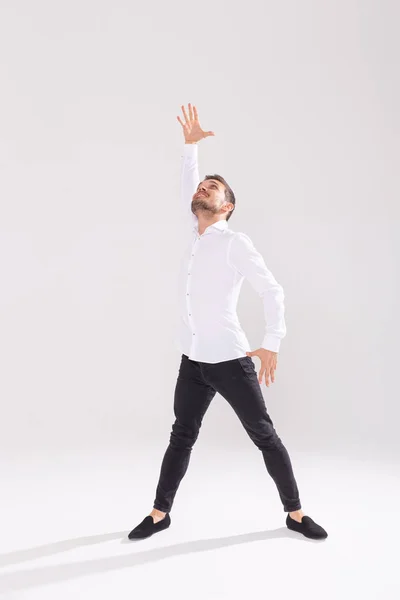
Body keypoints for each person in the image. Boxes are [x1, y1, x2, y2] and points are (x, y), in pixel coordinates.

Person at [128, 104, 328, 541]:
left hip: (230, 361)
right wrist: (190, 148)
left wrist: (272, 341)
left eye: (212, 187)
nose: (202, 188)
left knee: (265, 437)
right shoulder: (194, 237)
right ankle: (160, 513)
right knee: (182, 435)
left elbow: (272, 290)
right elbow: (188, 185)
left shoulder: (234, 242)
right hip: (193, 360)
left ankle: (294, 514)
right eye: (202, 184)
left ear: (228, 205)